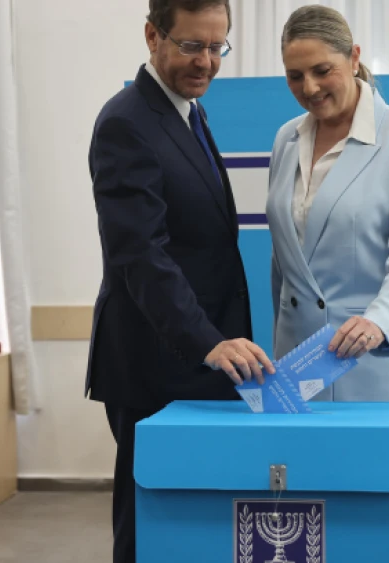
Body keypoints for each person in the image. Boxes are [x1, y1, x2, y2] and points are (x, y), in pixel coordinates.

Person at [85, 1, 273, 561]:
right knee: (151, 525)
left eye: (218, 47)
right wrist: (208, 341)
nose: (207, 62)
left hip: (198, 360)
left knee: (197, 523)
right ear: (152, 35)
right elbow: (140, 255)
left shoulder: (187, 112)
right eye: (193, 45)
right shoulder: (127, 122)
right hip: (155, 363)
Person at [267, 5, 389, 407]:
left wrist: (379, 322)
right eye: (295, 76)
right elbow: (285, 263)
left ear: (354, 57)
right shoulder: (285, 140)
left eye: (322, 70)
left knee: (373, 471)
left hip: (374, 360)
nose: (309, 87)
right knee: (297, 471)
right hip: (299, 366)